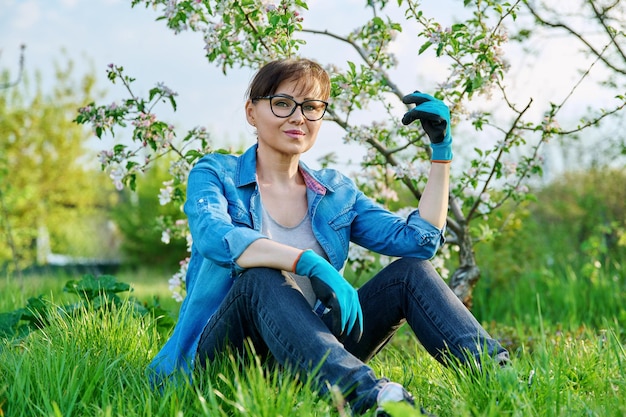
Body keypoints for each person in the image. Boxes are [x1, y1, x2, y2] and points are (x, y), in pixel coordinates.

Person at [148, 58, 509, 415]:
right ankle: (372, 399)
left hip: (306, 359)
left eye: (311, 107)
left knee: (411, 272)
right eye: (282, 104)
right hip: (222, 364)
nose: (298, 117)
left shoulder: (335, 193)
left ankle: (502, 384)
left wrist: (440, 153)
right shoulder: (216, 173)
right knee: (259, 276)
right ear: (251, 112)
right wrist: (305, 261)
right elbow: (215, 237)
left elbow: (420, 241)